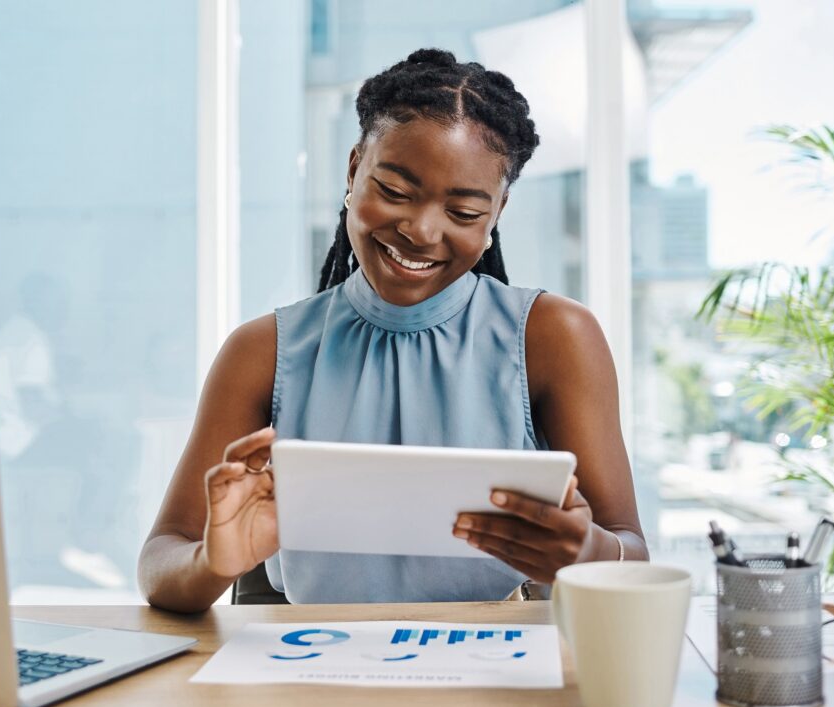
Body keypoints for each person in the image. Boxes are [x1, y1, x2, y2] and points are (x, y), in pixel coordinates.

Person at [139, 49, 646, 612]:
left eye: (464, 212)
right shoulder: (263, 350)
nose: (422, 231)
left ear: (497, 211)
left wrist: (589, 550)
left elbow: (631, 550)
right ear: (354, 169)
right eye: (397, 192)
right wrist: (215, 560)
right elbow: (162, 561)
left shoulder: (553, 336)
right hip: (310, 666)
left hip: (495, 668)